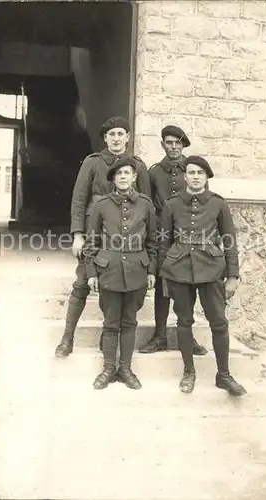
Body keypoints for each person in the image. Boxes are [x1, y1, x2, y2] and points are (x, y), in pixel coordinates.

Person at [55, 116, 151, 358]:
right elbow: (79, 199)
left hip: (124, 240)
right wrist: (78, 235)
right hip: (93, 233)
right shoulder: (92, 163)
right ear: (105, 139)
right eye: (111, 135)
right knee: (82, 283)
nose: (116, 139)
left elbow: (147, 208)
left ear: (128, 137)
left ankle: (106, 336)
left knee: (117, 289)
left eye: (121, 134)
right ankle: (68, 337)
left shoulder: (138, 166)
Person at [158, 155, 247, 396]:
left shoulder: (218, 204)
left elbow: (230, 241)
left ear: (206, 177)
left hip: (211, 269)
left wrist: (232, 275)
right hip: (179, 269)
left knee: (219, 322)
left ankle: (224, 375)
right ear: (184, 176)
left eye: (200, 173)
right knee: (184, 322)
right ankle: (189, 371)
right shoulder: (172, 204)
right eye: (192, 172)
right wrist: (163, 272)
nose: (196, 177)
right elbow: (164, 241)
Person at [82, 156, 157, 389]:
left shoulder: (146, 204)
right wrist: (92, 272)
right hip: (109, 270)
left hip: (137, 270)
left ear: (134, 177)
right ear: (113, 179)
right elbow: (92, 242)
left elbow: (153, 241)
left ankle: (125, 369)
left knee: (130, 321)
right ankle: (107, 369)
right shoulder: (101, 205)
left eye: (127, 173)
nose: (123, 177)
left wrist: (151, 271)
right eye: (119, 174)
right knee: (111, 322)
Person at [138, 125, 207, 355]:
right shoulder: (154, 172)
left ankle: (187, 335)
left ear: (183, 144)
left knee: (188, 285)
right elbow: (147, 205)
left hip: (188, 236)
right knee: (161, 285)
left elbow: (204, 203)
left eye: (178, 142)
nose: (174, 146)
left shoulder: (194, 170)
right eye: (169, 142)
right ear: (162, 145)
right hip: (163, 236)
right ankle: (159, 336)